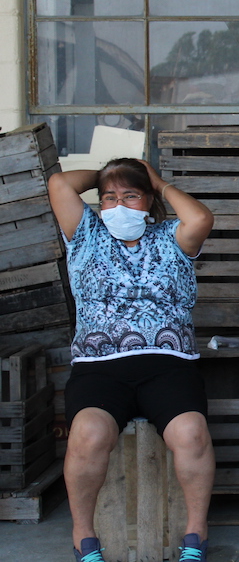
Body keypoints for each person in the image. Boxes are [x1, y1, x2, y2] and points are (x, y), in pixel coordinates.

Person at [48, 159, 215, 562]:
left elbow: (201, 217)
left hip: (167, 364)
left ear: (150, 202)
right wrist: (111, 173)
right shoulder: (86, 233)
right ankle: (83, 534)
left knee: (190, 432)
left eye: (130, 196)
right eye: (110, 198)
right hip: (99, 368)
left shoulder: (171, 238)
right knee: (87, 434)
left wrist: (155, 180)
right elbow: (59, 183)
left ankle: (196, 531)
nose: (118, 205)